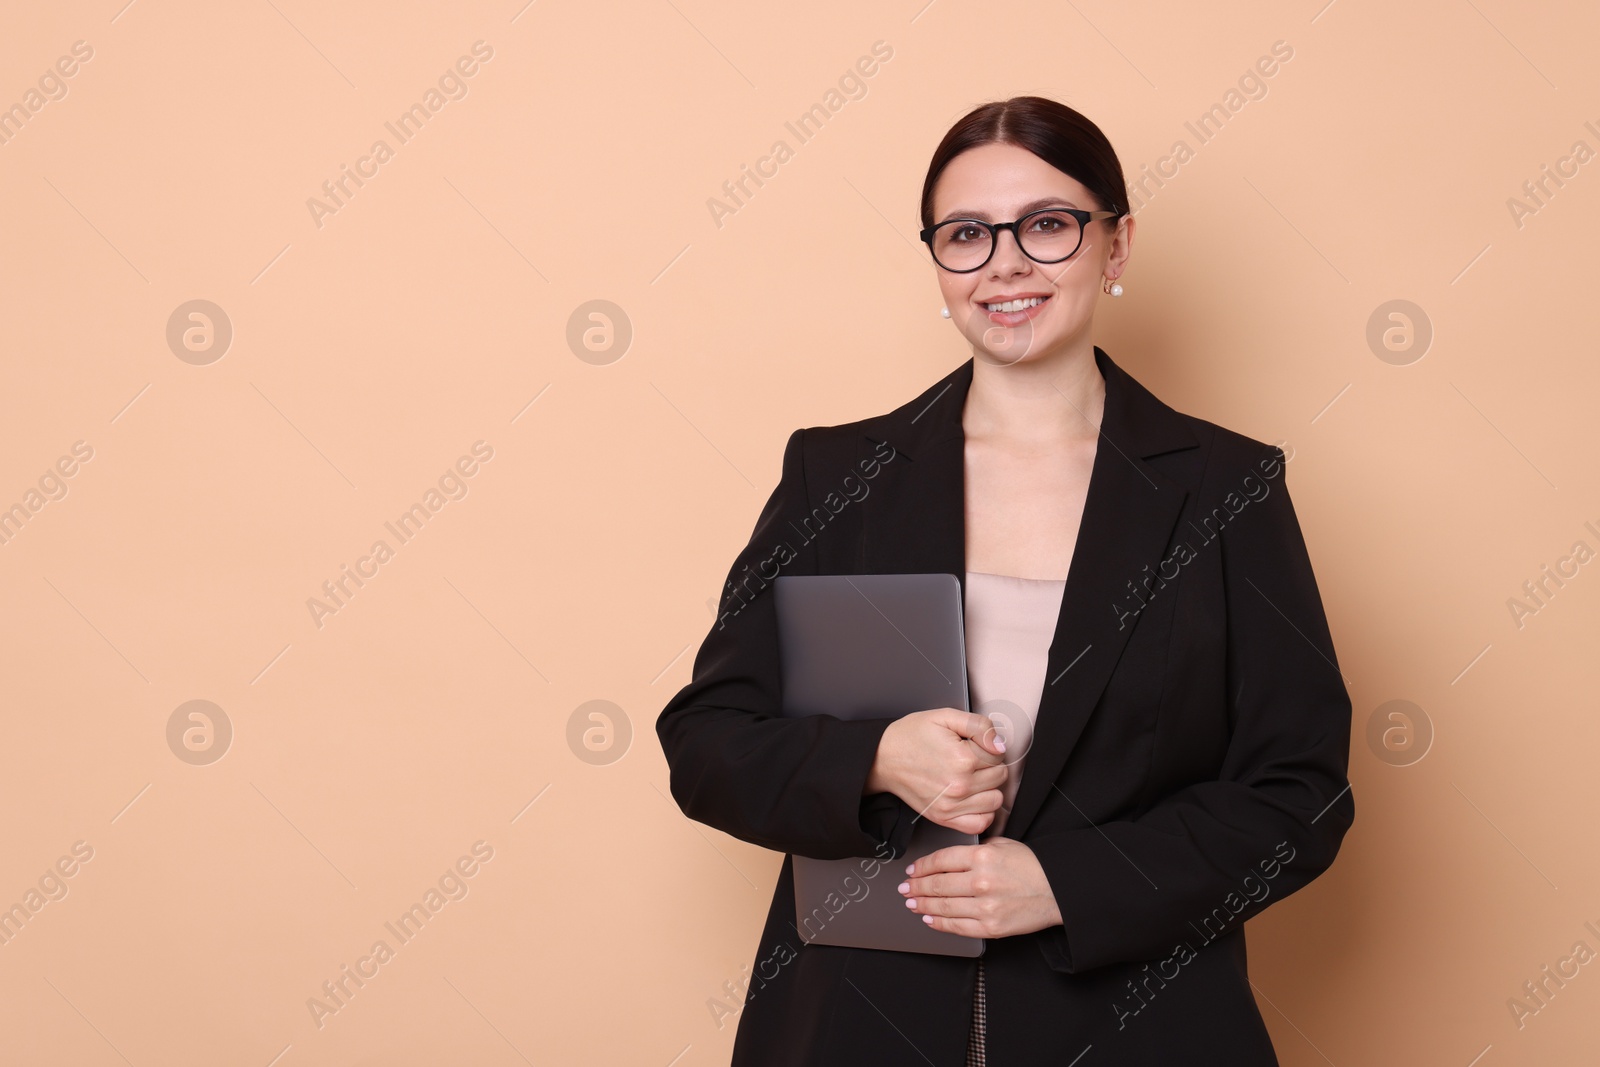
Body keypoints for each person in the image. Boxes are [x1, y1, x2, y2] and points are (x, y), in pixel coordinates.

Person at [656, 95, 1354, 1066]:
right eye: (966, 234)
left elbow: (1298, 793)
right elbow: (706, 741)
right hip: (858, 1025)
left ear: (1114, 248)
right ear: (936, 261)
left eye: (1048, 224)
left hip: (1138, 1027)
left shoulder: (1226, 489)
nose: (1005, 263)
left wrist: (1068, 881)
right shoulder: (838, 475)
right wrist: (873, 758)